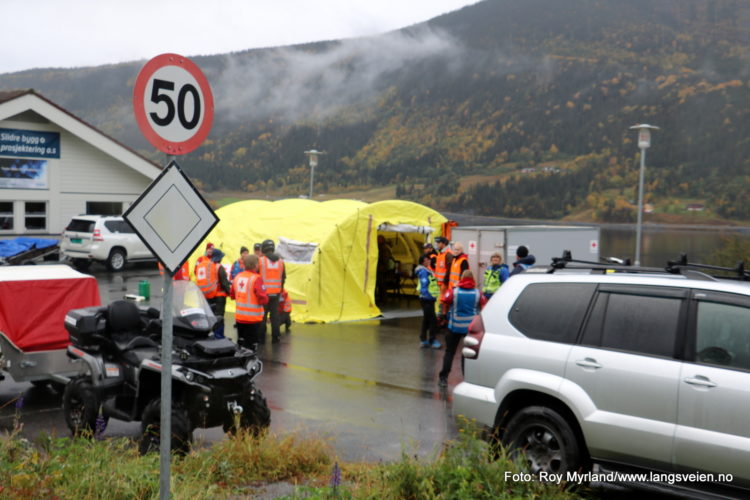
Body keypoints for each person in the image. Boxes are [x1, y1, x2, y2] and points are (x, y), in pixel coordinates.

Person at [438, 269, 486, 387]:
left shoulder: (454, 292)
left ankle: (443, 378)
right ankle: (467, 378)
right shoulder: (477, 293)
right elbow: (484, 306)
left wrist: (444, 314)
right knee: (467, 354)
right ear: (472, 279)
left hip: (454, 327)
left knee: (450, 352)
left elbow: (444, 300)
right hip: (470, 329)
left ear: (461, 278)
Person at [230, 254, 268, 349]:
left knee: (241, 344)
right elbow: (263, 299)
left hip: (239, 318)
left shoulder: (237, 277)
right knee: (251, 347)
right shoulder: (257, 278)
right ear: (255, 265)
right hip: (253, 320)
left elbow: (232, 295)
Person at [196, 247, 231, 339]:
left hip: (209, 295)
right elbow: (224, 283)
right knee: (219, 317)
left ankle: (210, 334)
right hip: (220, 296)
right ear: (219, 258)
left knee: (211, 315)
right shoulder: (219, 267)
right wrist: (230, 292)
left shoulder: (207, 266)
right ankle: (219, 336)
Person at [258, 239, 286, 343]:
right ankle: (276, 337)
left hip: (264, 293)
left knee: (262, 316)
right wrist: (280, 289)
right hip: (276, 293)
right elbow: (283, 277)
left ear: (263, 249)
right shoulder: (281, 262)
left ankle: (261, 338)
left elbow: (256, 277)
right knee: (275, 316)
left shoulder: (260, 261)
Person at [415, 254, 441, 349]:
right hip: (427, 299)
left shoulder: (426, 270)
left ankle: (423, 339)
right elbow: (424, 286)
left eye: (429, 259)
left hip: (428, 298)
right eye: (427, 259)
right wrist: (429, 296)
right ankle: (432, 339)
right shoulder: (423, 272)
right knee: (432, 319)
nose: (429, 261)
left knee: (426, 319)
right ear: (423, 261)